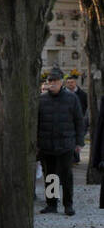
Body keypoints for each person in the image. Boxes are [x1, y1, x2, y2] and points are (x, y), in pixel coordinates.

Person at [37, 67, 86, 215]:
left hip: (66, 144)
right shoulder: (42, 100)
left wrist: (79, 142)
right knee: (50, 175)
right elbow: (38, 123)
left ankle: (68, 204)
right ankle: (52, 204)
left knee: (66, 175)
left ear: (61, 82)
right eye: (50, 81)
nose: (52, 83)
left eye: (55, 81)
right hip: (47, 145)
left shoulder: (71, 98)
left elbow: (79, 121)